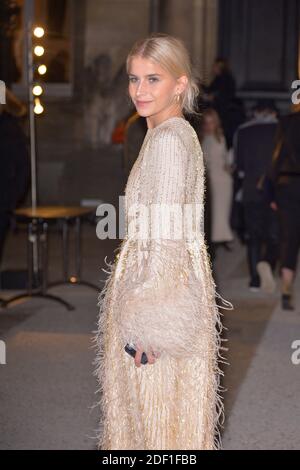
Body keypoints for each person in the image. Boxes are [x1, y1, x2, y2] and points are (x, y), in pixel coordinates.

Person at [94, 33, 233, 451]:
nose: (139, 90)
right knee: (166, 423)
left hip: (159, 299)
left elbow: (168, 239)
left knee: (153, 427)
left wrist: (151, 330)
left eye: (153, 79)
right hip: (165, 287)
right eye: (134, 79)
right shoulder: (169, 133)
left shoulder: (170, 142)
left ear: (180, 84)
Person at [234, 100, 279, 292]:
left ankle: (254, 280)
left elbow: (240, 166)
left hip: (251, 190)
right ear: (273, 113)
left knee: (254, 237)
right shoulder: (282, 131)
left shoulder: (243, 132)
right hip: (276, 191)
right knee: (275, 236)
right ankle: (267, 263)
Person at [268, 104, 300, 310]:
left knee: (289, 236)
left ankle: (287, 287)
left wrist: (271, 192)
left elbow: (276, 157)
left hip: (287, 185)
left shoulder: (287, 122)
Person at [200, 108, 234, 248]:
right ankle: (215, 240)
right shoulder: (202, 139)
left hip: (223, 179)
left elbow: (226, 158)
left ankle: (222, 238)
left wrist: (229, 165)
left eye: (212, 122)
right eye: (206, 123)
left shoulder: (221, 137)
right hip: (209, 179)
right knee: (212, 212)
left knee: (222, 210)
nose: (209, 125)